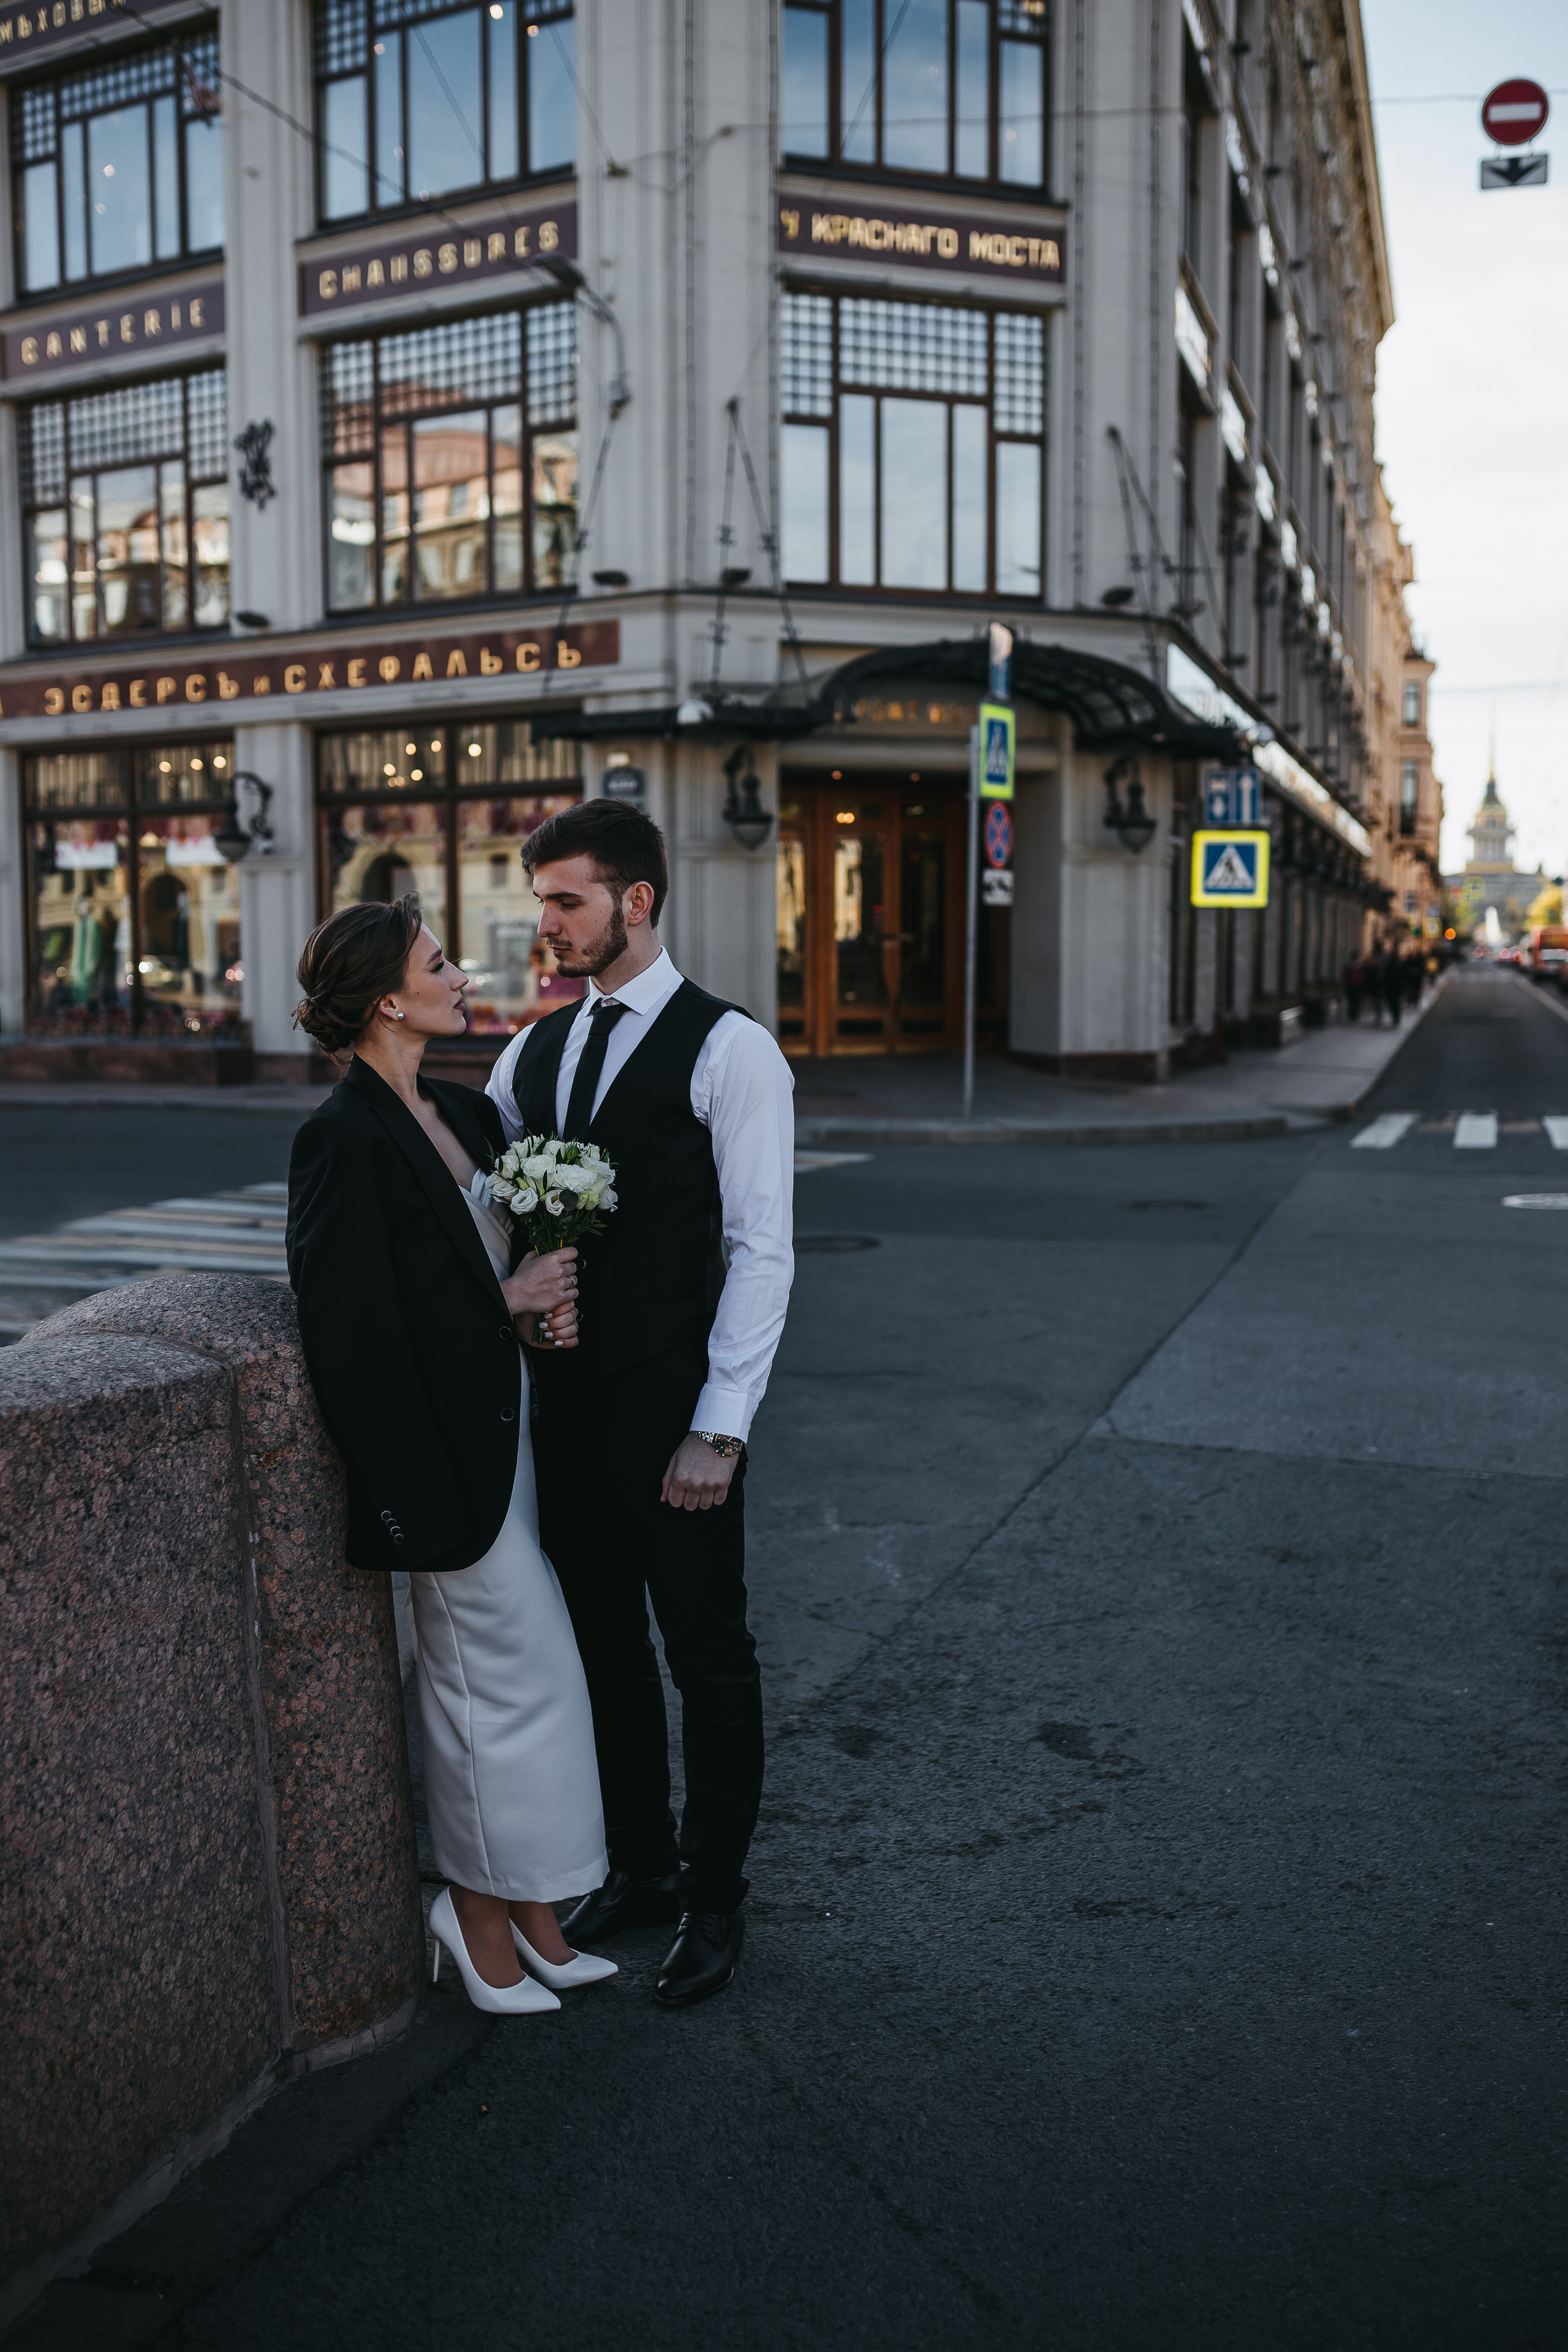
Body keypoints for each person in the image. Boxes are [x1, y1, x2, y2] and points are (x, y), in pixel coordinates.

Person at [487, 799, 794, 2010]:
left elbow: (761, 1249)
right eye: (542, 903)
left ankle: (716, 1902)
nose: (547, 924)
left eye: (566, 901)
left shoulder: (730, 1050)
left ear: (637, 902)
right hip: (568, 1413)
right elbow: (489, 1192)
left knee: (707, 1659)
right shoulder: (537, 1048)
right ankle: (643, 1867)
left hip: (673, 1411)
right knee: (603, 1649)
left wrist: (719, 1426)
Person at [286, 896, 614, 2018]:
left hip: (510, 1435)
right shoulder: (338, 1140)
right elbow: (353, 1330)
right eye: (441, 963)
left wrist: (536, 1309)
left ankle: (533, 1914)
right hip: (436, 1469)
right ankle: (475, 1914)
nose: (463, 975)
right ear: (389, 996)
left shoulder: (469, 1120)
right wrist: (502, 1298)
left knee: (522, 1684)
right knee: (506, 1684)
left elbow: (488, 1291)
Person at [1343, 950, 1365, 1023]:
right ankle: (1352, 1014)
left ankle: (1355, 1014)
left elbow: (1363, 976)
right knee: (1352, 1000)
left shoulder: (1360, 965)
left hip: (1356, 985)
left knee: (1355, 1000)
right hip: (1352, 985)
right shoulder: (1350, 965)